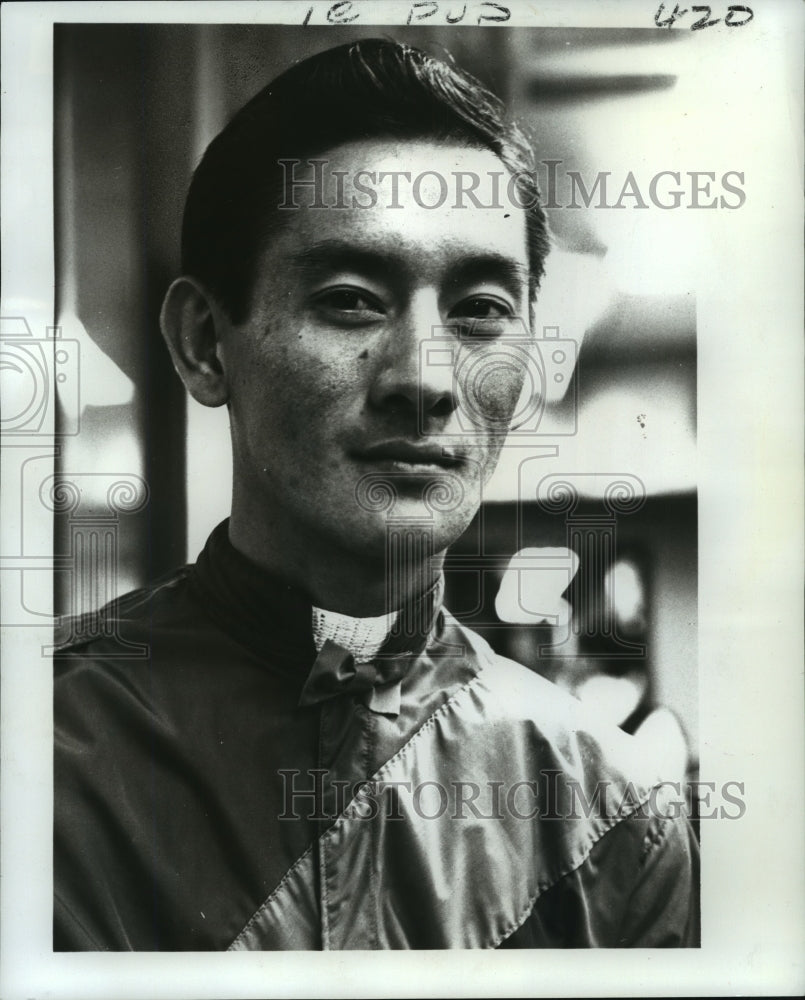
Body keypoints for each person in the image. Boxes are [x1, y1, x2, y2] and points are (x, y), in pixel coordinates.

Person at [54, 38, 699, 950]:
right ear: (204, 342)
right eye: (353, 299)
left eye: (479, 308)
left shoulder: (610, 816)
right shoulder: (40, 756)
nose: (424, 380)